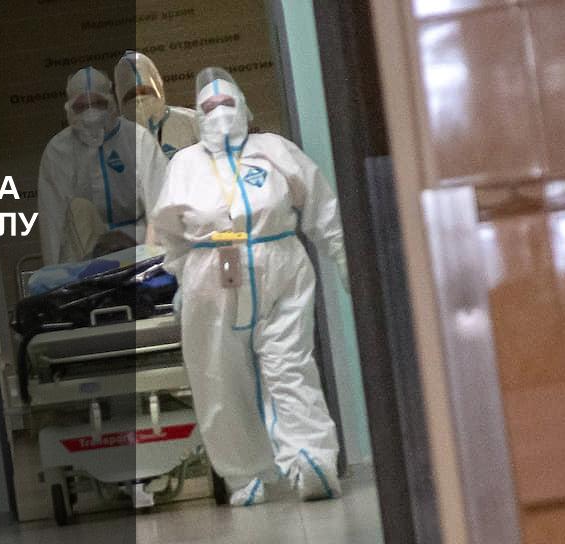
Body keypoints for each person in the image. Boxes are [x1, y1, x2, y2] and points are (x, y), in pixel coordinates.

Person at [150, 67, 349, 506]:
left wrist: (341, 255)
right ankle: (245, 475)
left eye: (228, 103)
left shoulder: (274, 149)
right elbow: (168, 231)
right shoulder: (185, 164)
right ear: (197, 116)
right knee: (219, 377)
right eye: (209, 107)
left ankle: (311, 460)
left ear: (245, 107)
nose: (220, 112)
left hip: (280, 264)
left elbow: (320, 204)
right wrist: (182, 276)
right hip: (211, 274)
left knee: (289, 364)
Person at [38, 66, 168, 265]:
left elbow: (160, 202)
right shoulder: (58, 150)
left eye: (99, 103)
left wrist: (161, 259)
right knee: (78, 208)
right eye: (81, 106)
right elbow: (52, 221)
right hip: (88, 251)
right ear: (69, 109)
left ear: (111, 102)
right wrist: (55, 273)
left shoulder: (138, 139)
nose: (91, 113)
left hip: (139, 241)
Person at [114, 51, 199, 162]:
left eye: (145, 91)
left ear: (158, 86)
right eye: (132, 95)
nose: (139, 99)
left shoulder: (190, 122)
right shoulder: (112, 138)